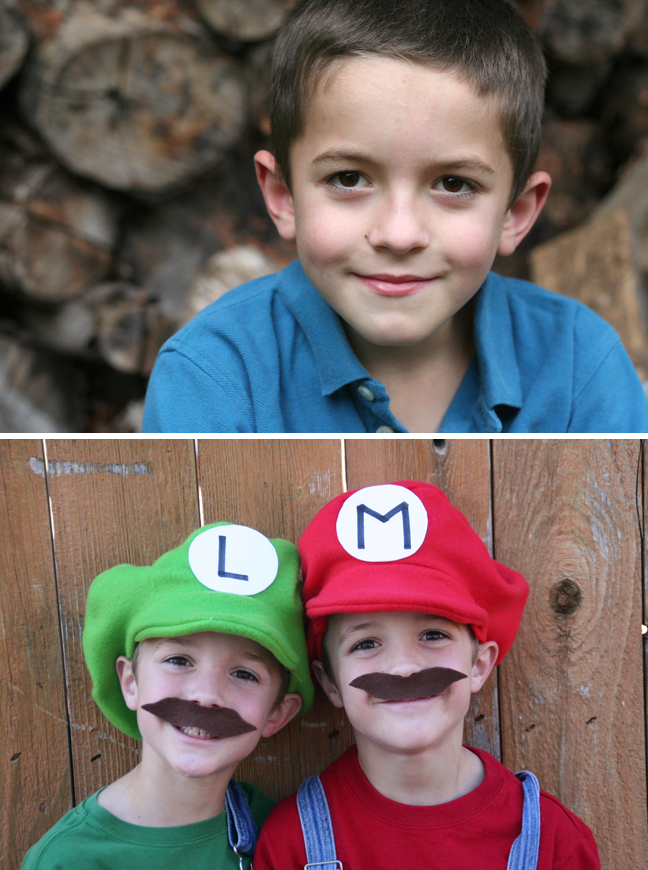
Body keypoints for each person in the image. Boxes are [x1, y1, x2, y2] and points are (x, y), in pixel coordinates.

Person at [142, 0, 647, 434]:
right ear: (283, 196)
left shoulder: (581, 366)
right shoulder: (213, 377)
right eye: (348, 178)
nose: (399, 234)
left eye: (454, 184)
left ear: (515, 213)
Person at [253, 481, 601, 869]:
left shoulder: (554, 842)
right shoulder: (292, 844)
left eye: (433, 635)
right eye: (366, 643)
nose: (404, 666)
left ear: (479, 665)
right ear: (330, 682)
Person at [21, 521, 313, 870]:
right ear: (130, 682)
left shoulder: (291, 840)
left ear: (278, 713)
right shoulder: (68, 859)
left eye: (244, 674)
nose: (206, 696)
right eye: (178, 660)